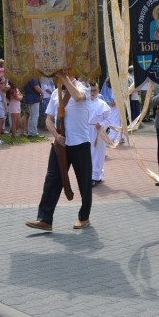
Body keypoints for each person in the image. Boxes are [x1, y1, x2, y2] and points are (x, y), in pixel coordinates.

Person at [26, 71, 92, 231]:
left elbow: (77, 97)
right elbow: (48, 118)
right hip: (60, 144)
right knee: (52, 179)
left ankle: (84, 218)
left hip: (80, 142)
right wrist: (56, 135)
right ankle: (45, 219)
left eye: (66, 71)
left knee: (84, 181)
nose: (62, 74)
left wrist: (64, 78)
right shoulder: (56, 93)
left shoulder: (83, 88)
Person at [88, 82, 111, 187]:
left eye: (94, 90)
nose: (92, 92)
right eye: (90, 90)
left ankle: (96, 176)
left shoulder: (102, 104)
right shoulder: (84, 102)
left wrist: (101, 124)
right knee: (88, 153)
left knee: (98, 153)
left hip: (98, 131)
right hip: (86, 131)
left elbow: (109, 119)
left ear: (98, 91)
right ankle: (89, 175)